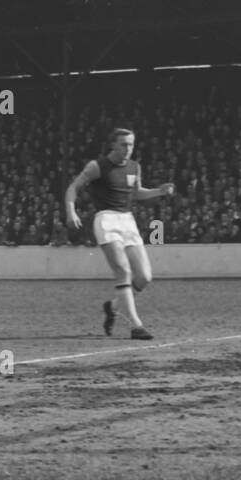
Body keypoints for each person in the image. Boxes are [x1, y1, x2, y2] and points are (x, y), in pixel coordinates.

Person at [64, 128, 174, 340]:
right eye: (123, 144)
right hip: (106, 220)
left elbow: (136, 193)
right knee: (123, 271)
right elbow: (73, 188)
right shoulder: (98, 166)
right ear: (113, 145)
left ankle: (112, 307)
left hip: (127, 220)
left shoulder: (134, 167)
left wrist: (159, 191)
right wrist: (71, 211)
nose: (127, 149)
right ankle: (136, 326)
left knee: (144, 277)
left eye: (131, 144)